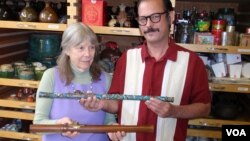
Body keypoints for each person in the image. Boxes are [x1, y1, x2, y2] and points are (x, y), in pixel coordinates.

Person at [80, 0, 212, 140]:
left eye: (155, 17)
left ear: (171, 16)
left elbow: (204, 107)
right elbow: (117, 103)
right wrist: (102, 104)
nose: (148, 25)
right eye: (143, 19)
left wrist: (174, 111)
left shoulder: (191, 62)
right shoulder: (126, 59)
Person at [33, 22, 116, 141]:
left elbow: (109, 121)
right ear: (67, 50)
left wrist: (113, 129)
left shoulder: (106, 79)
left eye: (92, 47)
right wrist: (60, 125)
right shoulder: (51, 76)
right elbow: (38, 125)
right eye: (81, 48)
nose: (87, 54)